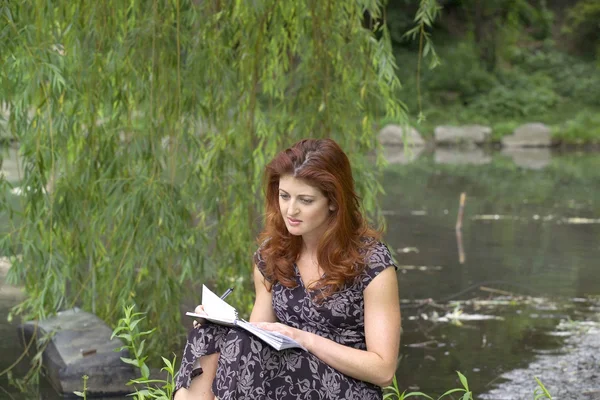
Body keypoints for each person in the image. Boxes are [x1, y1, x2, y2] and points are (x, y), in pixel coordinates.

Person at [173, 138, 401, 400]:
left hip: (347, 388)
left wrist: (303, 338)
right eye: (284, 196)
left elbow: (383, 370)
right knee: (209, 333)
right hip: (286, 378)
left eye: (305, 200)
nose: (290, 210)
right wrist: (221, 322)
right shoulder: (274, 255)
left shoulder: (371, 262)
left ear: (333, 202)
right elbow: (255, 335)